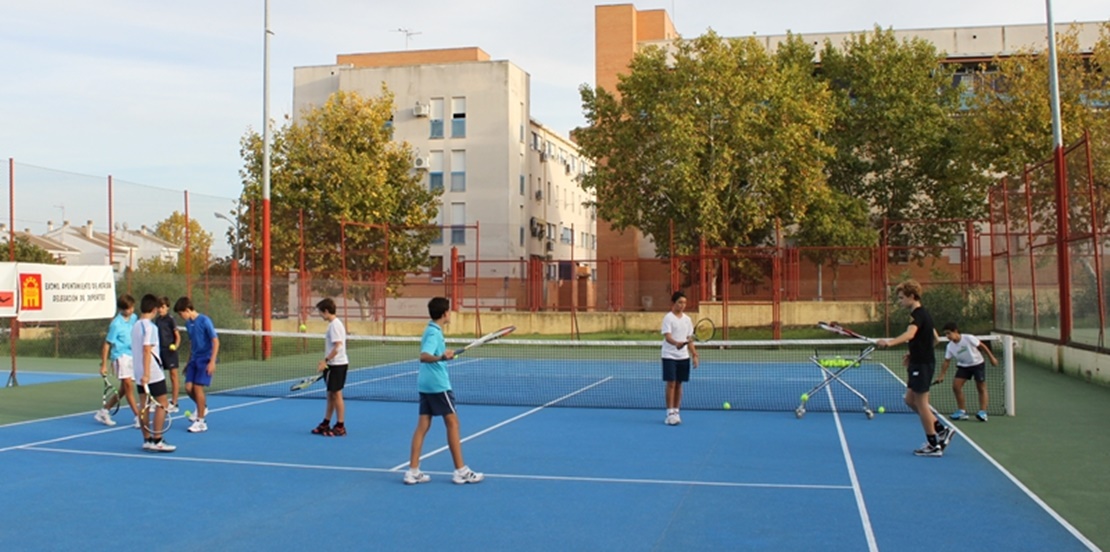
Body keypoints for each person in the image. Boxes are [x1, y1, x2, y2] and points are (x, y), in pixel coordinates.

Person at [404, 297, 483, 485]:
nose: (451, 314)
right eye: (449, 311)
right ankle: (461, 471)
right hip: (437, 385)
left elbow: (434, 354)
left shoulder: (432, 329)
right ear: (444, 314)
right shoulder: (434, 333)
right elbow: (424, 356)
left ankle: (413, 471)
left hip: (425, 383)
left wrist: (445, 354)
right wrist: (441, 357)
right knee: (453, 423)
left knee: (423, 425)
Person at [878, 280, 952, 457]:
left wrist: (889, 343)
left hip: (922, 365)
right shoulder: (923, 314)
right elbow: (935, 339)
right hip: (919, 362)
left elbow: (910, 334)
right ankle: (941, 430)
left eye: (902, 298)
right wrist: (915, 353)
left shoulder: (917, 315)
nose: (900, 301)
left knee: (921, 403)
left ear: (912, 296)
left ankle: (934, 444)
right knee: (910, 400)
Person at [132, 294, 176, 452]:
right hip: (151, 372)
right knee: (162, 404)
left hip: (138, 371)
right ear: (155, 309)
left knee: (144, 405)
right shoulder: (150, 327)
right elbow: (146, 349)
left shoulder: (136, 325)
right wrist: (147, 374)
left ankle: (147, 440)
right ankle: (157, 439)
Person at [935, 322, 998, 422]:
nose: (947, 336)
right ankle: (962, 411)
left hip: (977, 364)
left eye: (948, 333)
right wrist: (941, 375)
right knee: (956, 386)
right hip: (963, 366)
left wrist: (992, 358)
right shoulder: (950, 346)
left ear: (955, 331)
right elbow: (946, 361)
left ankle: (983, 412)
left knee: (981, 387)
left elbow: (982, 346)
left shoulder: (968, 338)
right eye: (946, 334)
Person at [174, 296, 219, 433]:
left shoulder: (205, 321)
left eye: (181, 314)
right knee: (188, 388)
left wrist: (212, 361)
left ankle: (201, 422)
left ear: (187, 310)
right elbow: (192, 343)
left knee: (198, 388)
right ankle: (202, 407)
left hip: (205, 359)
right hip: (194, 359)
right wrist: (188, 362)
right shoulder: (188, 324)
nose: (181, 317)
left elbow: (215, 341)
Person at [95, 294, 139, 427]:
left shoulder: (134, 318)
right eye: (128, 309)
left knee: (124, 390)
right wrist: (104, 365)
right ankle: (138, 416)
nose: (130, 311)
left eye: (132, 307)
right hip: (120, 357)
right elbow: (107, 344)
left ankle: (104, 411)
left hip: (132, 355)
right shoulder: (115, 324)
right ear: (121, 309)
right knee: (128, 386)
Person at [310, 298, 349, 437]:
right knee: (330, 395)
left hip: (337, 365)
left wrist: (325, 361)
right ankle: (326, 423)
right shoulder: (333, 324)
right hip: (332, 365)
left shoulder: (335, 325)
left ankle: (340, 426)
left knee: (336, 394)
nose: (320, 315)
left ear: (326, 311)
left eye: (320, 312)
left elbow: (338, 346)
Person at [661, 290, 698, 426]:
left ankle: (676, 411)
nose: (682, 305)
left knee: (679, 384)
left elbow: (690, 339)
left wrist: (694, 354)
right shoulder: (668, 318)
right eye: (680, 302)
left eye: (684, 303)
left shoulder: (687, 320)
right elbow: (667, 336)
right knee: (671, 383)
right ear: (674, 303)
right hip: (669, 355)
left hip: (683, 357)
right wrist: (676, 343)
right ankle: (669, 413)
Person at [154, 296, 182, 413]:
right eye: (159, 307)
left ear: (167, 308)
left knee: (173, 376)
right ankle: (159, 401)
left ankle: (174, 403)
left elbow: (178, 337)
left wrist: (175, 346)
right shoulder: (157, 320)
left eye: (163, 307)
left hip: (170, 352)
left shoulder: (171, 319)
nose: (161, 309)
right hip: (159, 352)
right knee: (158, 377)